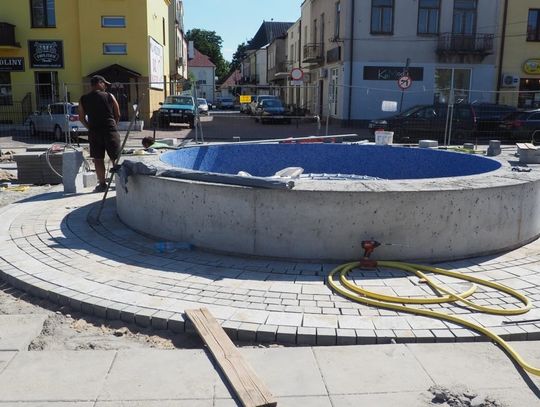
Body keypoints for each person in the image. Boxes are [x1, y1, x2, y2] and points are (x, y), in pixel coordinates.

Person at [78, 75, 121, 192]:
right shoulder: (109, 96)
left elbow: (81, 117)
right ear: (99, 83)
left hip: (94, 132)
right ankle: (119, 183)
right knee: (116, 158)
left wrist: (89, 127)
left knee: (98, 159)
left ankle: (102, 184)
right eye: (105, 84)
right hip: (110, 130)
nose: (106, 86)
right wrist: (114, 125)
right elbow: (118, 113)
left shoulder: (83, 99)